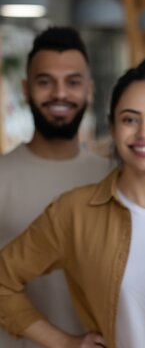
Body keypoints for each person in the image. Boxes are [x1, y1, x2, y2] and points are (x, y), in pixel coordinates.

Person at [0, 57, 145, 348]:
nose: (144, 133)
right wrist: (65, 342)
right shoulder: (73, 213)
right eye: (130, 119)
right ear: (112, 127)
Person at [0, 27, 112, 348]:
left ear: (89, 90)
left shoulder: (112, 179)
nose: (60, 94)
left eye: (73, 82)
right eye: (45, 81)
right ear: (26, 88)